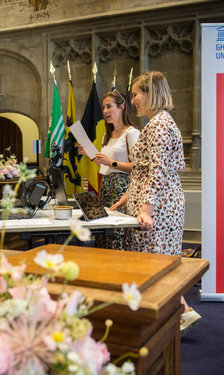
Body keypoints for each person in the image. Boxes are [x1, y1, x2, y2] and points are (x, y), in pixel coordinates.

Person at [110, 71, 201, 335]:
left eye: (136, 94)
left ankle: (174, 316)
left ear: (151, 93)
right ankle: (178, 314)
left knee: (155, 265)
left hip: (159, 208)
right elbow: (142, 169)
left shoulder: (160, 124)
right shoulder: (155, 123)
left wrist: (146, 210)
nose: (133, 100)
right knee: (155, 263)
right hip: (153, 204)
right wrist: (126, 198)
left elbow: (158, 170)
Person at [78, 89, 139, 249]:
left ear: (122, 107)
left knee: (116, 234)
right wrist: (90, 155)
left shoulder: (132, 134)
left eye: (109, 106)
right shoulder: (108, 135)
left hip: (123, 187)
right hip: (105, 186)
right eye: (104, 108)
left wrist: (112, 162)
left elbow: (138, 167)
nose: (105, 111)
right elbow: (104, 165)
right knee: (102, 232)